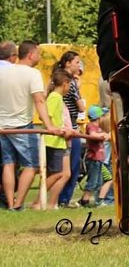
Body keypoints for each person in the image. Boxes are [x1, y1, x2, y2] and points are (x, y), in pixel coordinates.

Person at [0, 40, 62, 210]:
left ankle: (10, 202)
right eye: (38, 54)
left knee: (8, 163)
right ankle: (18, 203)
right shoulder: (32, 74)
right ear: (30, 54)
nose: (40, 57)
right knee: (32, 165)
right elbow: (39, 100)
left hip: (2, 126)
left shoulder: (4, 73)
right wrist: (48, 125)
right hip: (22, 126)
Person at [41, 69, 74, 210]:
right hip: (52, 141)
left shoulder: (58, 98)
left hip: (60, 141)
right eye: (70, 84)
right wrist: (55, 128)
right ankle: (39, 201)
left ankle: (51, 203)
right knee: (58, 174)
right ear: (65, 83)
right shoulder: (55, 97)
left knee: (65, 174)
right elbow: (45, 115)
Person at [56, 51, 86, 208]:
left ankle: (59, 198)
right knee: (73, 167)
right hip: (71, 127)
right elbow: (81, 107)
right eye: (76, 62)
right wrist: (79, 91)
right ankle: (63, 199)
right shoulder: (70, 82)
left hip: (59, 125)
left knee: (60, 167)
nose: (78, 65)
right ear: (67, 63)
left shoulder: (55, 78)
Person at [80, 105, 111, 207]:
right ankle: (84, 201)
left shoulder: (99, 128)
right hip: (93, 159)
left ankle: (95, 201)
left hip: (99, 159)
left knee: (98, 182)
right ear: (99, 117)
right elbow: (93, 135)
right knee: (92, 182)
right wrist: (102, 136)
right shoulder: (91, 126)